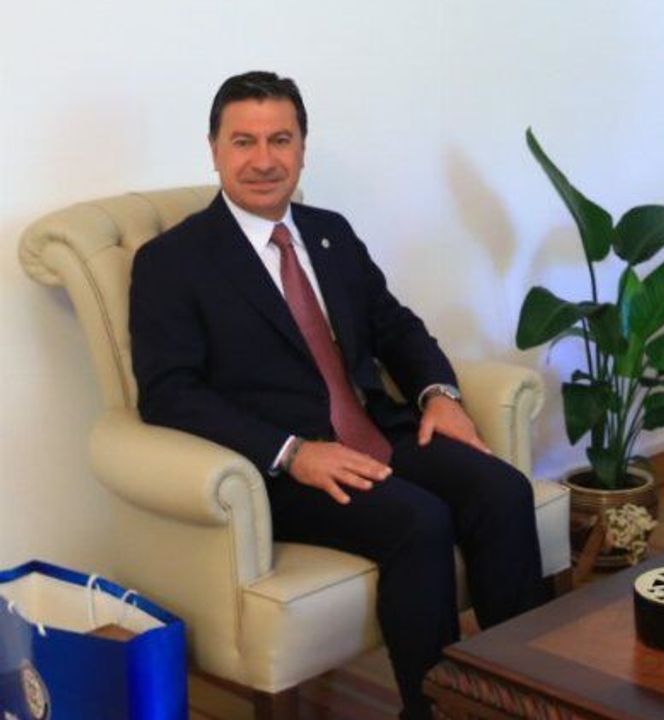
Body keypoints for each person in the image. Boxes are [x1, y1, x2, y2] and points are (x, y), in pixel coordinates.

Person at [129, 71, 546, 719]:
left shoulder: (330, 232)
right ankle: (434, 711)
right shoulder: (172, 261)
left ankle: (528, 697)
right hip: (282, 469)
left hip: (377, 432)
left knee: (503, 490)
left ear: (303, 147)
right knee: (419, 521)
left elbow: (395, 327)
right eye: (243, 141)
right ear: (213, 149)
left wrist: (440, 394)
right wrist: (292, 452)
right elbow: (169, 394)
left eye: (280, 139)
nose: (264, 159)